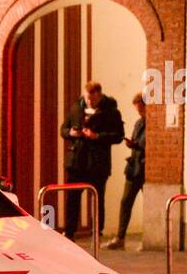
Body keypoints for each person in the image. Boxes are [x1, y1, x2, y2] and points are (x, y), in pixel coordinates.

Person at [59, 81, 123, 240]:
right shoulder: (76, 107)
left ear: (99, 95)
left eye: (92, 99)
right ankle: (69, 231)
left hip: (97, 163)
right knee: (72, 198)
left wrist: (97, 137)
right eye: (87, 98)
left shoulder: (111, 111)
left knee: (97, 198)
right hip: (77, 161)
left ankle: (96, 231)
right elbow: (63, 129)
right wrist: (71, 133)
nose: (89, 102)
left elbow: (118, 135)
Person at [106, 93, 147, 250]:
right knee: (125, 202)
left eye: (141, 109)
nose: (139, 113)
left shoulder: (152, 124)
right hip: (133, 168)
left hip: (144, 169)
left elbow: (146, 144)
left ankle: (148, 238)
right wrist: (132, 144)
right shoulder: (138, 123)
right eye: (138, 109)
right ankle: (120, 237)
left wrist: (136, 144)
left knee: (147, 205)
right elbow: (138, 142)